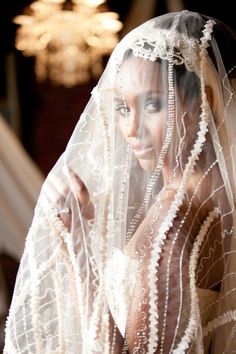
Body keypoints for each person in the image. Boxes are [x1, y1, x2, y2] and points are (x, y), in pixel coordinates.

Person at [3, 10, 236, 353]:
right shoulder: (216, 199)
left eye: (153, 104)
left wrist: (78, 248)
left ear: (203, 103)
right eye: (124, 108)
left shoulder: (177, 217)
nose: (131, 129)